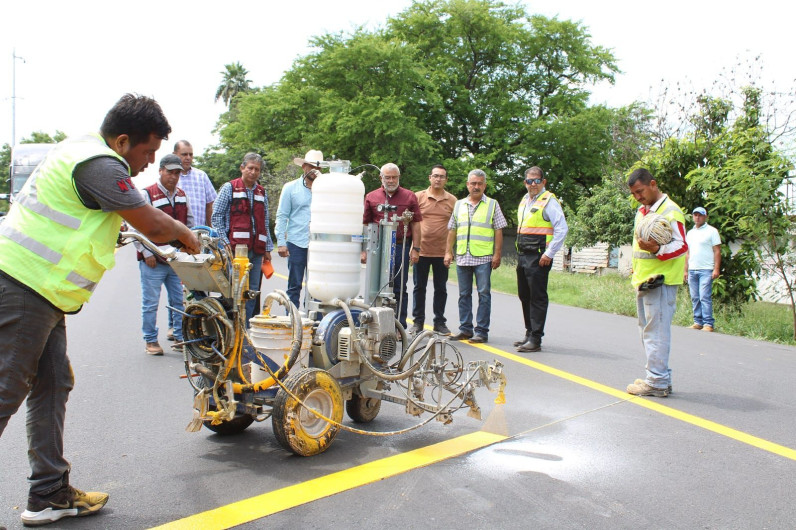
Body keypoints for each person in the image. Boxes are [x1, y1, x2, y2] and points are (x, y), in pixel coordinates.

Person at [0, 94, 200, 526]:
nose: (148, 162)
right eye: (147, 151)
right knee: (7, 388)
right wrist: (186, 234)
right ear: (123, 140)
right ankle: (48, 489)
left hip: (41, 290)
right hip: (23, 284)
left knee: (53, 383)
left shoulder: (82, 150)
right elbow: (154, 224)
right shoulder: (102, 164)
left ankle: (48, 491)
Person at [626, 168, 687, 398]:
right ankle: (660, 376)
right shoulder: (644, 211)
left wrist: (659, 249)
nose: (638, 197)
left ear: (653, 184)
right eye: (634, 194)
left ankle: (657, 381)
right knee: (648, 331)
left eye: (640, 191)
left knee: (656, 332)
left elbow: (681, 245)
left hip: (661, 282)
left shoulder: (670, 211)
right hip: (645, 281)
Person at [134, 154, 195, 356]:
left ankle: (179, 336)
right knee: (151, 303)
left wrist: (190, 248)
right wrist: (145, 252)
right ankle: (150, 340)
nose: (173, 176)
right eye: (170, 172)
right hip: (153, 259)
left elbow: (190, 224)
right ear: (160, 171)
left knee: (179, 301)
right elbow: (134, 227)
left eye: (177, 173)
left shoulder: (181, 195)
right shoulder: (147, 194)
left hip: (176, 260)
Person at [444, 169, 507, 344]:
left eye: (480, 183)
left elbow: (498, 230)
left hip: (484, 257)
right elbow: (452, 229)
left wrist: (497, 254)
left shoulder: (493, 204)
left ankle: (481, 331)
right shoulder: (459, 205)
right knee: (464, 294)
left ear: (484, 185)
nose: (476, 186)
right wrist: (448, 251)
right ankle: (465, 329)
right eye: (473, 183)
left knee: (484, 294)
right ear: (467, 185)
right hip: (463, 256)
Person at [211, 153, 273, 325]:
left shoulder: (261, 192)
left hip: (257, 250)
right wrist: (225, 245)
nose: (253, 172)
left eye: (257, 169)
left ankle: (246, 329)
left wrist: (267, 248)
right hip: (236, 251)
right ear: (242, 168)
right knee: (235, 291)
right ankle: (232, 327)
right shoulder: (229, 188)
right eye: (250, 168)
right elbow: (216, 217)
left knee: (252, 291)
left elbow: (265, 220)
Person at [514, 167, 568, 353]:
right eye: (529, 181)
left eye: (537, 181)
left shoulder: (549, 201)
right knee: (524, 295)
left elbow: (562, 229)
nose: (533, 184)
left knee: (537, 297)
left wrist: (549, 253)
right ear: (525, 183)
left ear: (543, 182)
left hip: (538, 256)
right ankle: (529, 333)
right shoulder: (524, 200)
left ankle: (536, 338)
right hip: (523, 255)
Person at [362, 163, 423, 329]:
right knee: (374, 285)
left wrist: (416, 249)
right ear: (381, 178)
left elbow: (416, 224)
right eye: (387, 177)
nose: (390, 180)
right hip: (377, 248)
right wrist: (363, 249)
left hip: (400, 247)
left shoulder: (409, 197)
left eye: (394, 177)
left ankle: (398, 326)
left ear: (399, 177)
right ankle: (374, 324)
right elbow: (365, 223)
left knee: (398, 286)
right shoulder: (371, 196)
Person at [410, 164, 457, 336]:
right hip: (421, 251)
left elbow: (455, 227)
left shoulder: (453, 200)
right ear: (429, 177)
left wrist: (449, 251)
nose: (438, 179)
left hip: (442, 253)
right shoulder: (418, 197)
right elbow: (412, 224)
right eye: (435, 176)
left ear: (446, 180)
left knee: (441, 288)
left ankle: (439, 322)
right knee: (419, 287)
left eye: (442, 176)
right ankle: (418, 322)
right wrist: (412, 248)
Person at [274, 150, 323, 310]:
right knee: (294, 284)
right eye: (311, 167)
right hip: (296, 242)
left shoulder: (325, 189)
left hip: (318, 243)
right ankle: (293, 320)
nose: (315, 171)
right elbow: (282, 215)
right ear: (304, 167)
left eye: (318, 167)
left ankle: (314, 321)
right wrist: (281, 242)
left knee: (317, 286)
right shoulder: (290, 188)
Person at [685, 206, 721, 332]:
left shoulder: (712, 231)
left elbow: (717, 251)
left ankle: (708, 323)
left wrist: (716, 269)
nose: (697, 217)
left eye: (700, 215)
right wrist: (685, 270)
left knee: (704, 296)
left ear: (705, 217)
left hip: (706, 269)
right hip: (692, 269)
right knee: (695, 296)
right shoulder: (690, 233)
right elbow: (687, 253)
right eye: (695, 215)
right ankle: (697, 321)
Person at [174, 139, 217, 226]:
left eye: (191, 154)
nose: (188, 158)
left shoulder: (201, 176)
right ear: (174, 154)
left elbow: (210, 205)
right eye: (184, 154)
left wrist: (212, 230)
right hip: (177, 233)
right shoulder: (171, 178)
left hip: (200, 233)